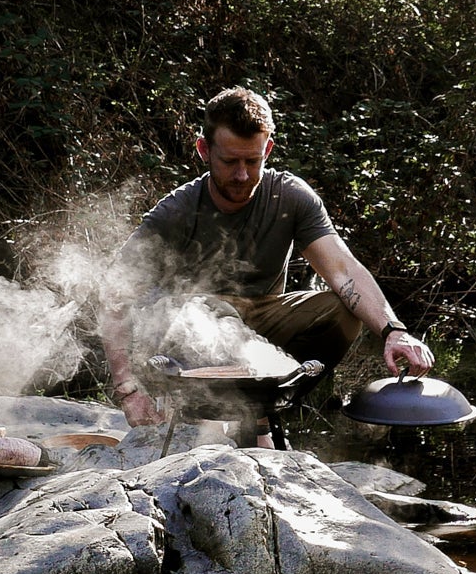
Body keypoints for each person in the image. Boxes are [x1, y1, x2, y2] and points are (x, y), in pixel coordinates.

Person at [101, 86, 435, 432]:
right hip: (190, 333)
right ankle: (209, 417)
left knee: (341, 312)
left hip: (266, 323)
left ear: (268, 150)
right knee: (211, 315)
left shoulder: (290, 198)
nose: (242, 175)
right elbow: (115, 294)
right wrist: (128, 390)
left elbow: (343, 269)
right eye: (230, 161)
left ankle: (264, 412)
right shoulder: (175, 211)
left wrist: (394, 331)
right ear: (204, 150)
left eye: (253, 161)